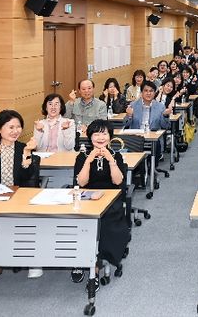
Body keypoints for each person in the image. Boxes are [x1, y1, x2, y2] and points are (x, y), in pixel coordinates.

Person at [0, 110, 41, 288]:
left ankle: (33, 261)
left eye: (18, 127)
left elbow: (28, 176)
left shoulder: (23, 148)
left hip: (20, 196)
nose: (16, 131)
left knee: (25, 225)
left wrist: (27, 153)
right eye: (11, 127)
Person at [74, 120, 130, 291]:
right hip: (87, 200)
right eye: (96, 134)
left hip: (110, 201)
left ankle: (94, 270)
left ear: (110, 137)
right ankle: (79, 259)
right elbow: (81, 183)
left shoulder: (116, 156)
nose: (100, 137)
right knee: (78, 222)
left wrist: (110, 160)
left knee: (102, 225)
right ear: (90, 137)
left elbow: (118, 181)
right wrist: (89, 160)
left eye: (104, 134)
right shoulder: (82, 156)